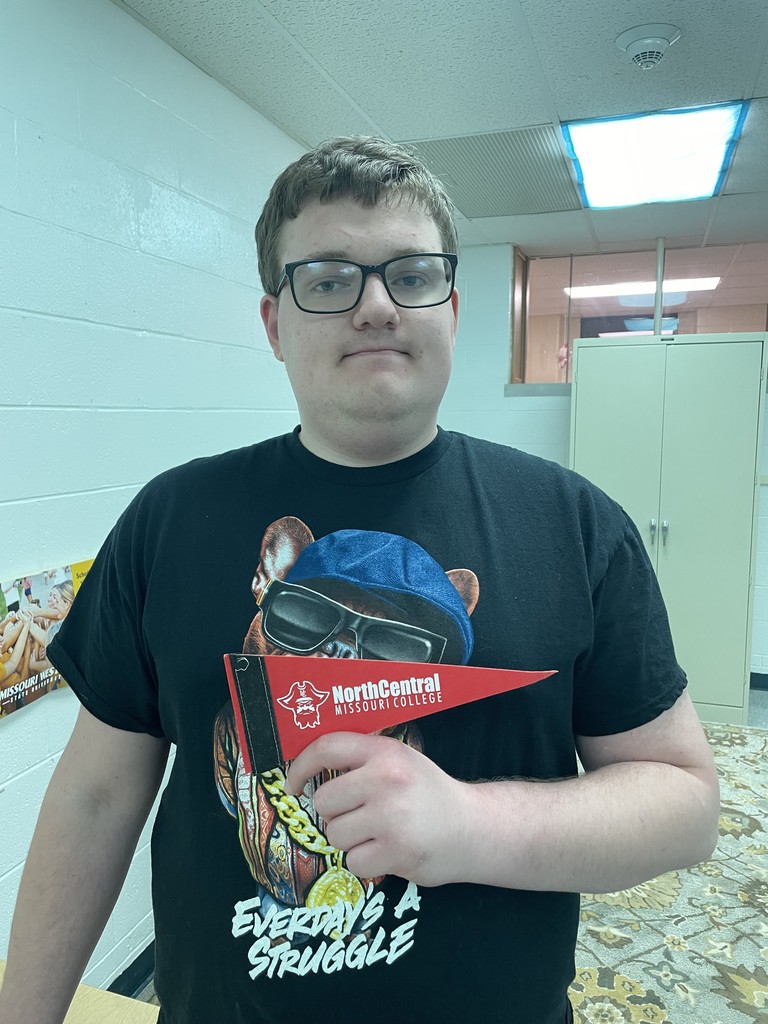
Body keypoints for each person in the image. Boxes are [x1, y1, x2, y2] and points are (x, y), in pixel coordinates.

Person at [0, 136, 719, 1024]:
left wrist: (469, 827)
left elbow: (686, 804)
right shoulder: (169, 521)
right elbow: (96, 797)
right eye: (331, 279)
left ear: (451, 309)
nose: (376, 305)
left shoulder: (573, 526)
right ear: (275, 323)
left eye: (410, 274)